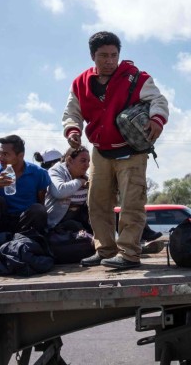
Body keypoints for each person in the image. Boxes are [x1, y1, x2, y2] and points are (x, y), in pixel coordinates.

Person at [62, 31, 169, 270]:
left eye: (114, 55)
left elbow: (159, 101)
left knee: (132, 203)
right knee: (97, 202)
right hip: (100, 150)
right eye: (103, 56)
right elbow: (72, 113)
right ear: (93, 56)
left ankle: (129, 253)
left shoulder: (136, 77)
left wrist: (156, 120)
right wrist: (73, 130)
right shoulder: (80, 83)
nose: (109, 61)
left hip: (132, 150)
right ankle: (105, 251)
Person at [0, 135, 51, 266]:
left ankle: (31, 249)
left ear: (20, 156)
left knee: (38, 209)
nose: (1, 158)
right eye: (0, 153)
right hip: (0, 221)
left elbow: (42, 202)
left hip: (23, 223)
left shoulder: (38, 173)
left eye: (6, 154)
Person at [45, 147, 91, 233]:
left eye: (88, 161)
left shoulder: (86, 178)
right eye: (83, 160)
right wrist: (79, 182)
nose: (87, 165)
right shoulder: (56, 171)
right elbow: (59, 191)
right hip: (57, 224)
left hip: (79, 219)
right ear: (70, 160)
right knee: (74, 226)